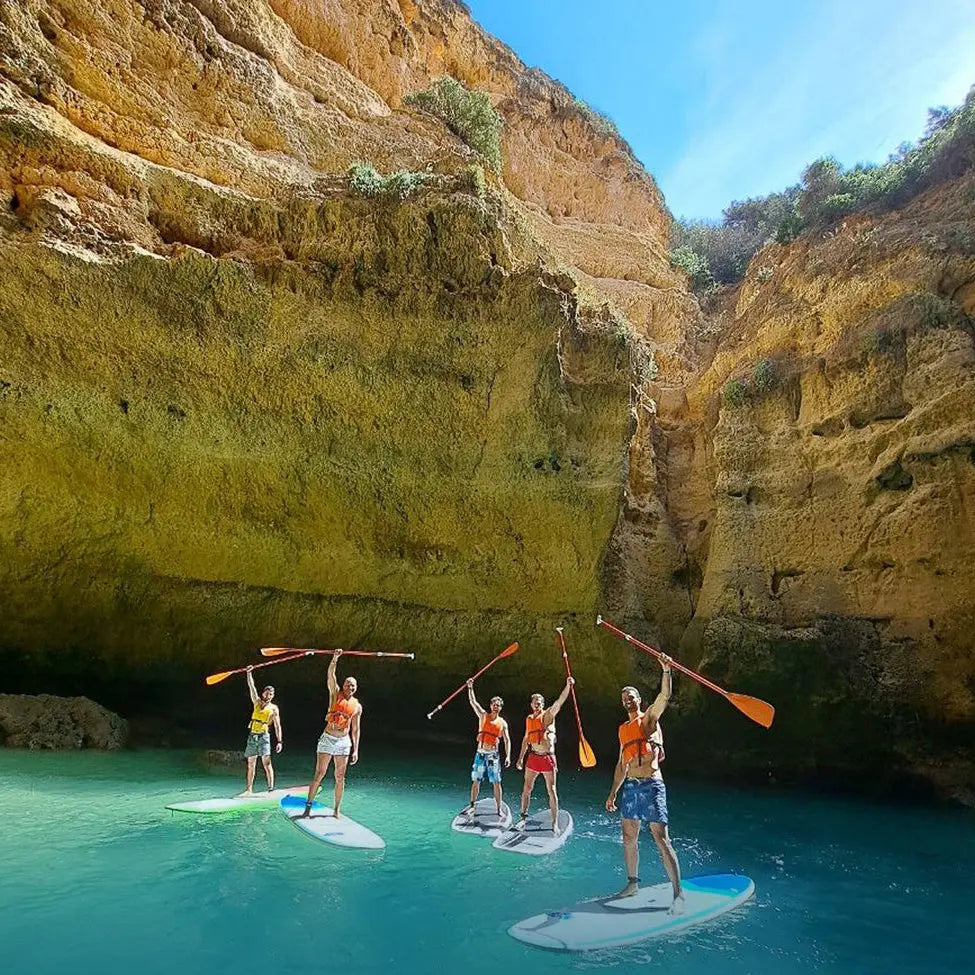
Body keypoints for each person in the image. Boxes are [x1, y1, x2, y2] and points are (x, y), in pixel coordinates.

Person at [605, 655, 685, 914]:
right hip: (630, 786)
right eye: (624, 697)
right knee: (628, 836)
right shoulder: (621, 729)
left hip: (651, 785)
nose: (627, 699)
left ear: (639, 700)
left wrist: (666, 670)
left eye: (631, 696)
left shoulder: (649, 719)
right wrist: (613, 793)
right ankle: (632, 884)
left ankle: (678, 895)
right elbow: (621, 764)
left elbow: (664, 697)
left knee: (661, 839)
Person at [301, 651, 361, 818]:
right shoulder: (335, 693)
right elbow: (330, 674)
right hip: (328, 739)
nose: (351, 687)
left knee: (340, 777)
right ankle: (308, 806)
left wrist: (355, 749)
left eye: (353, 685)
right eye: (348, 684)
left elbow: (356, 729)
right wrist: (335, 658)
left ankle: (336, 810)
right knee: (320, 773)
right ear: (343, 685)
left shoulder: (357, 706)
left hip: (344, 742)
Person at [514, 677, 574, 834]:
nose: (536, 705)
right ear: (531, 704)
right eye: (534, 702)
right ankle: (523, 817)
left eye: (539, 702)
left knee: (551, 790)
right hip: (533, 757)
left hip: (547, 758)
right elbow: (526, 739)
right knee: (526, 788)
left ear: (542, 704)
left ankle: (554, 823)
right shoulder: (529, 719)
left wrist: (567, 686)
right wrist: (520, 758)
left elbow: (559, 702)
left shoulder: (548, 715)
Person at [462, 678, 511, 820]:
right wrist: (470, 688)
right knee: (476, 781)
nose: (496, 707)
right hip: (481, 754)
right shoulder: (483, 716)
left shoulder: (502, 723)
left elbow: (507, 740)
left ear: (501, 708)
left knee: (497, 782)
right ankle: (472, 806)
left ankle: (498, 808)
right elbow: (473, 703)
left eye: (498, 705)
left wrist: (508, 756)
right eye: (494, 704)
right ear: (491, 705)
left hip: (493, 756)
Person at [243, 666, 282, 795]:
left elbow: (277, 726)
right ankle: (249, 790)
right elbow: (251, 687)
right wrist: (249, 673)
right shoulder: (257, 702)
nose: (268, 695)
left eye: (271, 694)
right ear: (263, 693)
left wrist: (279, 741)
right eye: (267, 693)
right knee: (251, 763)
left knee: (266, 762)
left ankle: (271, 789)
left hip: (264, 736)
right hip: (252, 735)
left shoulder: (274, 708)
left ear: (273, 695)